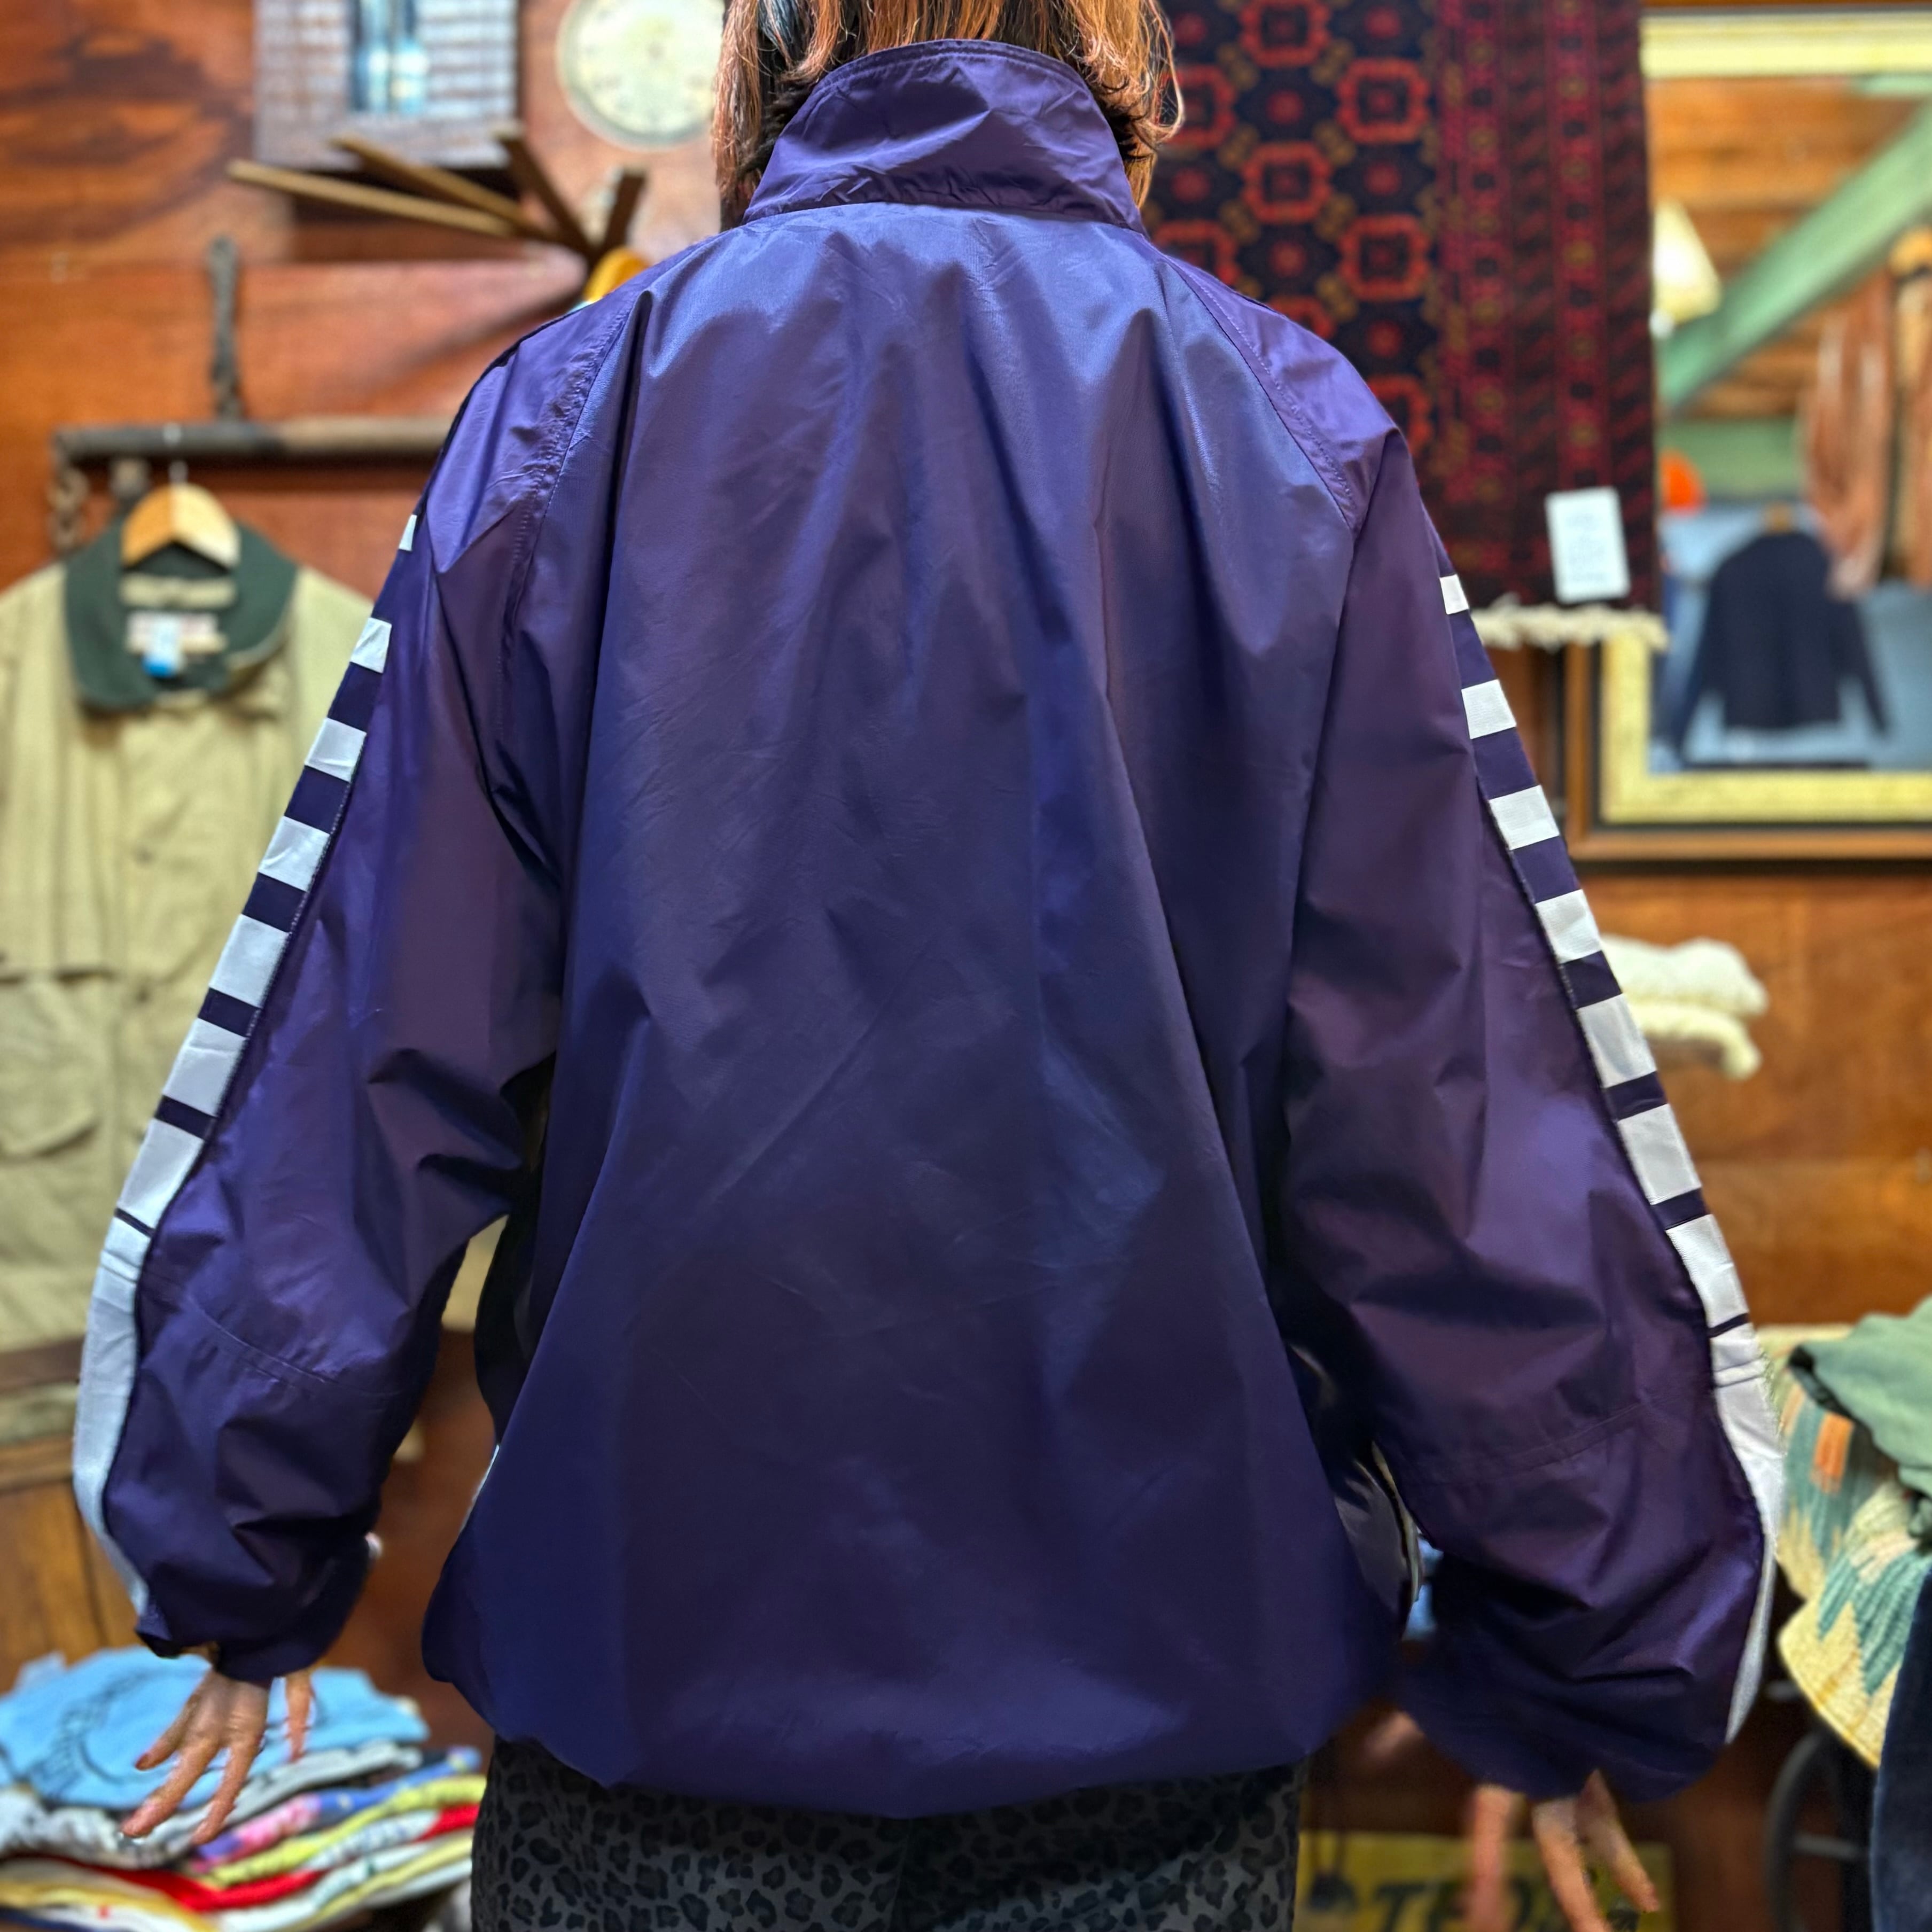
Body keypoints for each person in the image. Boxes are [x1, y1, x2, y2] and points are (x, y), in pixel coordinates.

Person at [75, 1, 1782, 1926]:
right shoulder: (1289, 435)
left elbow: (366, 1042)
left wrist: (231, 1543)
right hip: (1154, 1745)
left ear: (773, 48)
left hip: (663, 1716)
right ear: (1130, 65)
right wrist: (1596, 1630)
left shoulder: (569, 420)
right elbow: (1450, 1108)